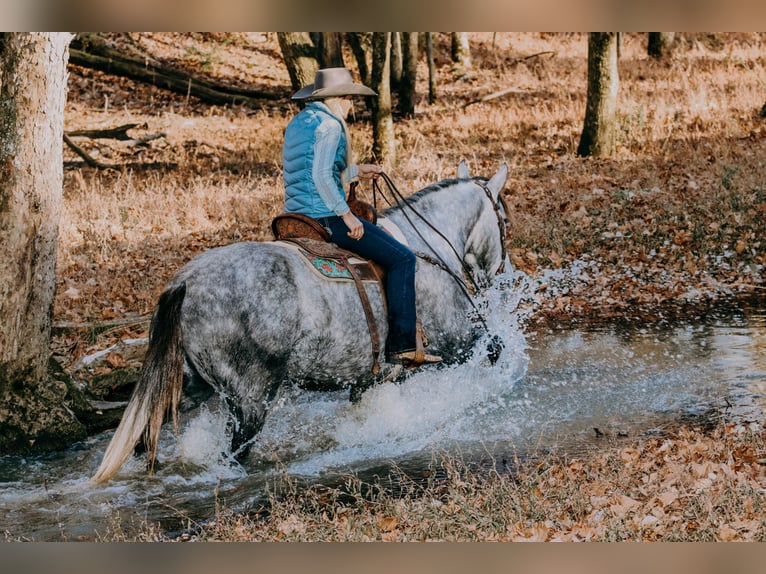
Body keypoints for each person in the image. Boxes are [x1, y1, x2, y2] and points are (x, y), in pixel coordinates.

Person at [282, 67, 440, 366]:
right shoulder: (329, 125)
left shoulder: (301, 121)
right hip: (326, 216)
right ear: (337, 98)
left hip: (296, 214)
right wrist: (347, 216)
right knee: (403, 258)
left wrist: (357, 171)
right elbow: (320, 177)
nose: (352, 105)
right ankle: (403, 346)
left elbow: (309, 169)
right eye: (350, 99)